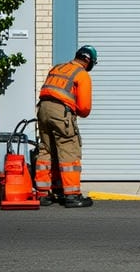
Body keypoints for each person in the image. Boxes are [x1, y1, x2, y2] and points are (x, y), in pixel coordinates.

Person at [34, 45, 97, 208]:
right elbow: (84, 108)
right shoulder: (81, 75)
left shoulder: (58, 67)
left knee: (47, 150)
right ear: (88, 61)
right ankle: (72, 195)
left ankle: (43, 194)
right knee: (69, 150)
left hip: (43, 109)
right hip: (60, 112)